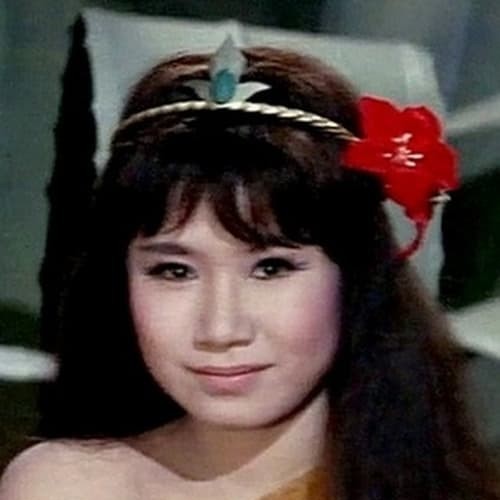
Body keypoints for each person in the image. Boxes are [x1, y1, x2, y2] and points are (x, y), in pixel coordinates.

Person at [1, 39, 499, 500]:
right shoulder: (70, 487)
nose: (221, 329)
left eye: (271, 267)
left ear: (355, 275)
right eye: (174, 271)